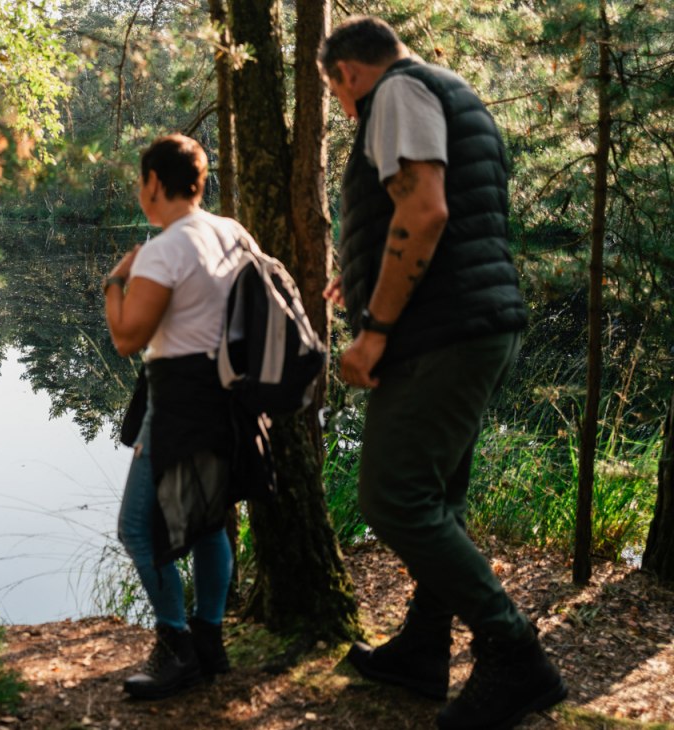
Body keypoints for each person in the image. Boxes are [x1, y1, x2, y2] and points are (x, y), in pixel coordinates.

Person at [318, 16, 566, 730]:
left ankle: (515, 655)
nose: (344, 109)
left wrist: (373, 332)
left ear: (347, 73)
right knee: (438, 497)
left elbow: (424, 213)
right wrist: (363, 280)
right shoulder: (454, 92)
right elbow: (450, 225)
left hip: (439, 336)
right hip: (474, 325)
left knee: (394, 498)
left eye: (338, 94)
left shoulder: (395, 93)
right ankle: (425, 651)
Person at [103, 134, 253, 700]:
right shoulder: (233, 233)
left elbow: (126, 337)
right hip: (227, 398)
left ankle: (176, 645)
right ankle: (209, 637)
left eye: (141, 182)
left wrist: (114, 282)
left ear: (154, 184)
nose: (140, 191)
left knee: (137, 528)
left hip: (176, 404)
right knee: (210, 521)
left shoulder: (165, 248)